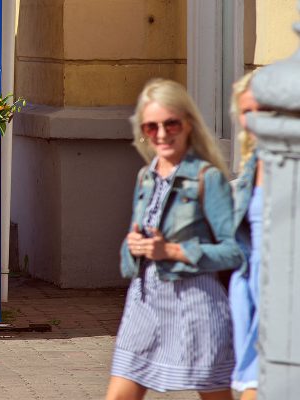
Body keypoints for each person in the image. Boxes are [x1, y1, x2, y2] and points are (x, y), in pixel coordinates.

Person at [106, 79, 244, 400]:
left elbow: (234, 251)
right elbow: (135, 247)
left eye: (171, 124)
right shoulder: (146, 177)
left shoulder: (206, 178)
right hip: (144, 302)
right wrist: (134, 246)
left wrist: (172, 250)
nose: (163, 134)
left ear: (189, 125)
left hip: (195, 304)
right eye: (152, 127)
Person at [228, 71, 263, 400]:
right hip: (246, 284)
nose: (253, 120)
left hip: (277, 286)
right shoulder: (251, 163)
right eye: (246, 111)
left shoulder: (288, 162)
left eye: (261, 111)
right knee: (249, 385)